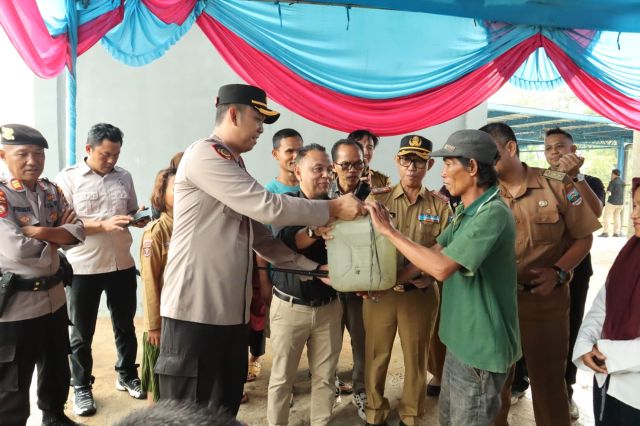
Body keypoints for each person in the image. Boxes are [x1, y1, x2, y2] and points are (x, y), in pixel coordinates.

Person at [155, 84, 363, 418]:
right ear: (233, 114)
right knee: (185, 415)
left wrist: (313, 269)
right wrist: (333, 207)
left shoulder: (235, 165)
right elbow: (269, 207)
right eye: (257, 118)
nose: (261, 129)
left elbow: (260, 237)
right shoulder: (207, 155)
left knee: (223, 411)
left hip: (230, 316)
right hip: (194, 314)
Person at [366, 129, 521, 425]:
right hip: (459, 341)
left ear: (472, 167)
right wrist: (385, 284)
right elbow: (435, 249)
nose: (443, 173)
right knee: (449, 418)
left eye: (449, 164)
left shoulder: (492, 214)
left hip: (480, 348)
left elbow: (440, 267)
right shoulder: (466, 211)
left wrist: (389, 231)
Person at [480, 122, 601, 426]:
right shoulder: (483, 190)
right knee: (494, 383)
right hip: (496, 302)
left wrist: (559, 271)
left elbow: (584, 237)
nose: (483, 162)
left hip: (544, 302)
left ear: (510, 148)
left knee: (548, 383)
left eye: (489, 153)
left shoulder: (556, 183)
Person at [56, 123, 150, 416]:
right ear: (89, 149)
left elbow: (130, 209)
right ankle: (81, 386)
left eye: (116, 154)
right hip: (84, 266)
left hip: (121, 262)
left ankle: (127, 374)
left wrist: (137, 218)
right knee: (81, 332)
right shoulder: (68, 178)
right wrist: (102, 225)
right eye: (105, 154)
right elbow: (64, 224)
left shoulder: (124, 177)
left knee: (125, 325)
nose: (111, 160)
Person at [0, 124, 85, 426]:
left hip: (54, 300)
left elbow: (78, 232)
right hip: (17, 307)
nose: (32, 161)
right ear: (3, 155)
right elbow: (17, 249)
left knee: (56, 368)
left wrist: (38, 232)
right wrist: (58, 234)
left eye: (38, 154)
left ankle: (54, 417)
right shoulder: (2, 195)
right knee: (12, 384)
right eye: (22, 154)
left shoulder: (51, 190)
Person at [363, 135, 450, 426]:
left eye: (419, 161)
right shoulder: (378, 199)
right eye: (406, 160)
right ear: (397, 161)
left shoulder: (440, 205)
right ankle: (374, 411)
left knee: (416, 357)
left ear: (430, 165)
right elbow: (362, 242)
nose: (412, 167)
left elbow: (445, 247)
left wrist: (429, 274)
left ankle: (411, 414)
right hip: (380, 294)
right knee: (376, 354)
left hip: (419, 294)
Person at [267, 144, 343, 426]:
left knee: (325, 377)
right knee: (281, 379)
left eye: (328, 169)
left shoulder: (337, 207)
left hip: (329, 308)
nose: (325, 175)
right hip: (290, 308)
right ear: (298, 172)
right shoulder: (284, 204)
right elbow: (285, 241)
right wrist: (315, 230)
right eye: (317, 169)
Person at [542, 127, 605, 419]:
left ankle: (565, 389)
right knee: (529, 324)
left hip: (576, 268)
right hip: (540, 266)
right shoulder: (539, 181)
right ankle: (520, 380)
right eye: (548, 148)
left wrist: (576, 177)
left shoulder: (590, 181)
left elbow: (595, 213)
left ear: (574, 149)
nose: (554, 152)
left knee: (570, 327)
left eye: (560, 146)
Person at [573, 177, 640, 425]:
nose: (634, 215)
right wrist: (585, 342)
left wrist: (606, 352)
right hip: (606, 381)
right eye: (635, 205)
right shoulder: (631, 253)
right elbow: (604, 303)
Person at [328, 139, 369, 420]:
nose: (352, 170)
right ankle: (328, 387)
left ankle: (361, 390)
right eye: (345, 165)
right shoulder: (321, 196)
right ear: (334, 167)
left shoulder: (372, 196)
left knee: (361, 340)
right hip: (328, 282)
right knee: (327, 342)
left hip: (359, 282)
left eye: (358, 164)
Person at [139, 167, 177, 403]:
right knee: (157, 378)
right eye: (176, 188)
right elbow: (149, 282)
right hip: (161, 320)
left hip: (182, 316)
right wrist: (154, 325)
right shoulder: (156, 232)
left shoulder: (189, 227)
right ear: (161, 195)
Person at [264, 128, 304, 194]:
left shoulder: (313, 185)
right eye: (289, 151)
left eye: (300, 150)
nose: (296, 156)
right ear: (275, 154)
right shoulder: (268, 193)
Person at [601, 169, 625, 237]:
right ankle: (616, 233)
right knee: (617, 217)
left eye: (611, 174)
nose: (611, 176)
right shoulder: (622, 182)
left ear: (614, 174)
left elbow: (608, 192)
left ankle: (605, 232)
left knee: (607, 216)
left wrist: (605, 192)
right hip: (621, 203)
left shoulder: (613, 182)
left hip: (612, 202)